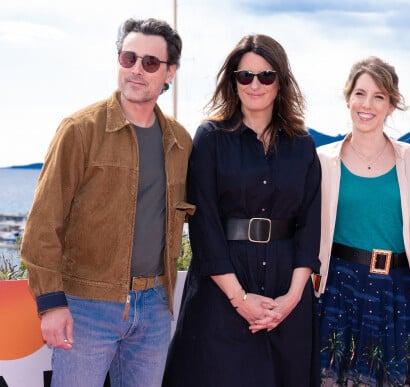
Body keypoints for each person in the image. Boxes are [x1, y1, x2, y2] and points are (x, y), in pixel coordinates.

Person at [20, 18, 193, 387]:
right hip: (86, 306)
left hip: (155, 308)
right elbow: (42, 224)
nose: (135, 70)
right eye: (128, 57)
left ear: (169, 73)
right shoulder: (80, 129)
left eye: (149, 63)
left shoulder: (180, 141)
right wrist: (51, 303)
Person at [162, 34, 321, 387]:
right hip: (222, 291)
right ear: (233, 81)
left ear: (280, 81)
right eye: (244, 75)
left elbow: (310, 227)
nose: (255, 84)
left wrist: (292, 299)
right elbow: (203, 226)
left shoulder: (303, 145)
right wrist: (240, 298)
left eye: (265, 76)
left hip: (287, 297)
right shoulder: (211, 137)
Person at [316, 56, 410, 386]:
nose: (366, 104)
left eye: (379, 96)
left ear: (391, 105)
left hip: (397, 294)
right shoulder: (322, 160)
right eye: (359, 93)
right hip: (337, 291)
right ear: (348, 99)